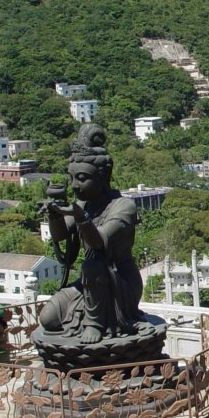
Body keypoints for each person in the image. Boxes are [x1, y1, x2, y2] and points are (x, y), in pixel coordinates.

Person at [38, 124, 149, 344]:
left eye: (82, 178)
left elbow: (98, 243)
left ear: (103, 176)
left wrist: (80, 217)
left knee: (93, 264)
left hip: (120, 282)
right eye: (72, 179)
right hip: (88, 284)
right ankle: (87, 317)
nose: (75, 186)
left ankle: (95, 323)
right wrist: (55, 216)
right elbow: (60, 237)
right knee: (48, 318)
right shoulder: (83, 204)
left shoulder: (123, 206)